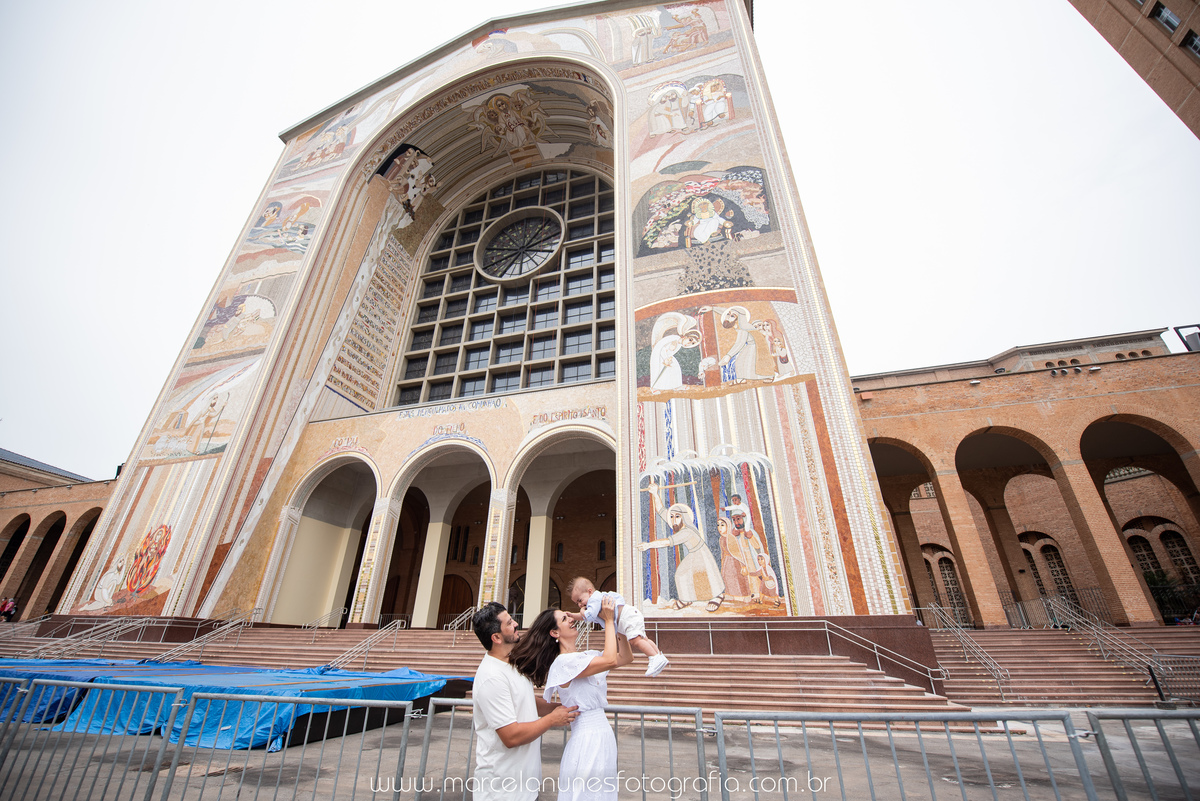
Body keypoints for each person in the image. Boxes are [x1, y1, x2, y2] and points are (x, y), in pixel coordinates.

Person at [510, 596, 633, 800]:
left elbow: (625, 657)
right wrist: (608, 621)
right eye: (564, 619)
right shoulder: (563, 663)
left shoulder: (584, 657)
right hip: (586, 738)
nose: (571, 619)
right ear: (554, 633)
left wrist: (617, 623)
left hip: (603, 735)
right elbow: (611, 659)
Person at [471, 601, 578, 800]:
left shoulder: (511, 663)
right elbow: (510, 736)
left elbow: (526, 700)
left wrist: (561, 708)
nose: (516, 624)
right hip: (501, 791)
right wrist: (552, 720)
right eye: (509, 623)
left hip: (525, 787)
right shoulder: (491, 677)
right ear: (496, 637)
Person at [564, 577, 668, 676]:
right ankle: (659, 656)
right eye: (577, 603)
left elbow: (589, 616)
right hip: (628, 617)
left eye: (580, 600)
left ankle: (653, 657)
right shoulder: (594, 602)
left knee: (635, 641)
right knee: (644, 639)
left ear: (590, 591)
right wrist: (573, 615)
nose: (579, 605)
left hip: (626, 617)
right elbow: (584, 617)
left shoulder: (594, 599)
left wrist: (582, 612)